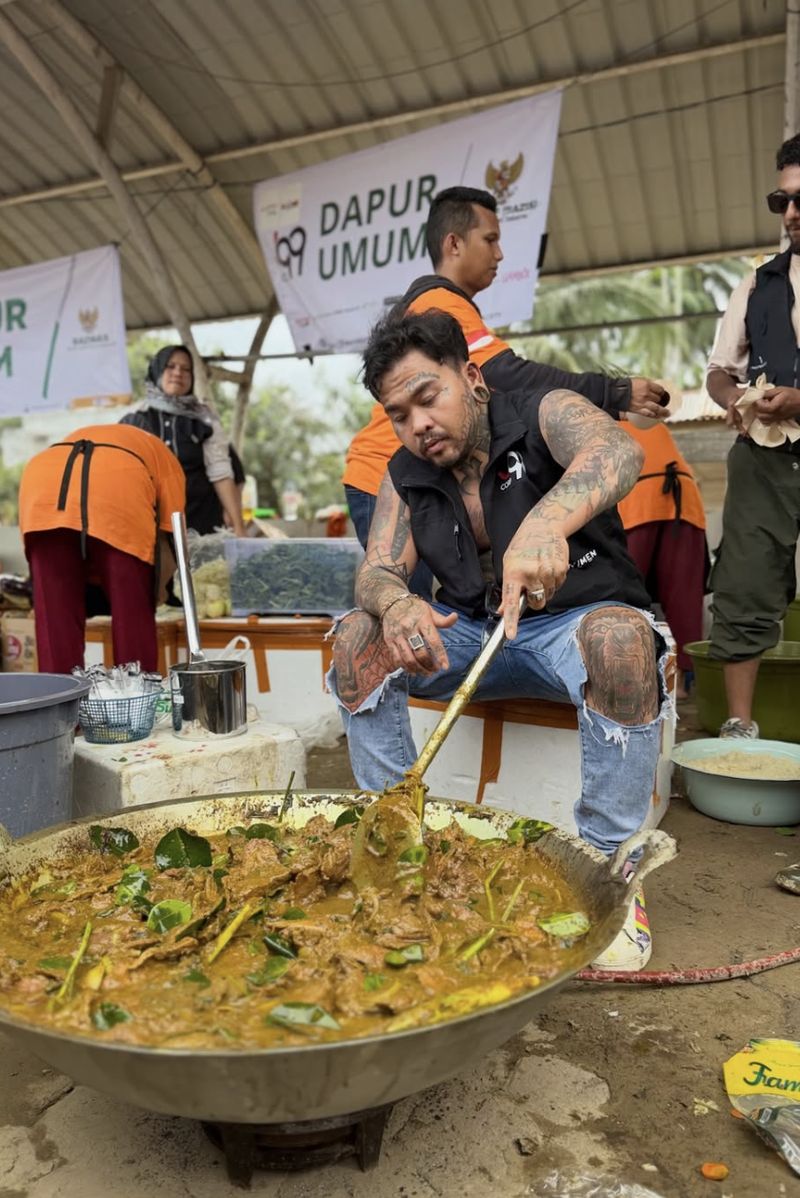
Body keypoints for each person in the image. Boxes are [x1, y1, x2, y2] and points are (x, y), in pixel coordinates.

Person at [329, 310, 670, 971]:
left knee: (621, 639)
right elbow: (375, 568)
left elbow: (618, 451)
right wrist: (398, 605)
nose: (418, 424)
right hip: (469, 638)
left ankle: (611, 871)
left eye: (428, 396)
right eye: (399, 413)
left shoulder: (543, 411)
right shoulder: (403, 473)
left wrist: (546, 524)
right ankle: (394, 843)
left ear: (471, 377)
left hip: (569, 627)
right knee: (356, 640)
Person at [342, 185, 668, 552]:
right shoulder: (438, 303)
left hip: (419, 479)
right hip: (387, 479)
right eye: (490, 239)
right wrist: (615, 393)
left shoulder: (449, 307)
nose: (499, 253)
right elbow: (507, 375)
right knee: (408, 602)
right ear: (454, 244)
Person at [706, 132, 800, 738]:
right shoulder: (757, 284)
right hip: (764, 456)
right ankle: (740, 727)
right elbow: (719, 369)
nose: (792, 212)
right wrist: (736, 401)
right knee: (744, 579)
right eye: (783, 200)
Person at [19, 423, 186, 674]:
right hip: (117, 489)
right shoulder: (166, 458)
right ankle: (135, 699)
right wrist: (156, 588)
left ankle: (59, 706)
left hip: (41, 483)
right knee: (132, 612)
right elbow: (173, 532)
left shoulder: (81, 435)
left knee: (54, 617)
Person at [617, 422, 708, 699]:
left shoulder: (601, 420)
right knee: (684, 600)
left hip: (639, 498)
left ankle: (622, 678)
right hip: (684, 498)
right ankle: (680, 684)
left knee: (620, 595)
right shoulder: (653, 424)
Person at [121, 345, 245, 536]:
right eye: (170, 366)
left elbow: (220, 471)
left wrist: (239, 527)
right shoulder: (136, 417)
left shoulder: (204, 418)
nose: (178, 373)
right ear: (157, 370)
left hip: (201, 525)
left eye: (186, 369)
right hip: (149, 528)